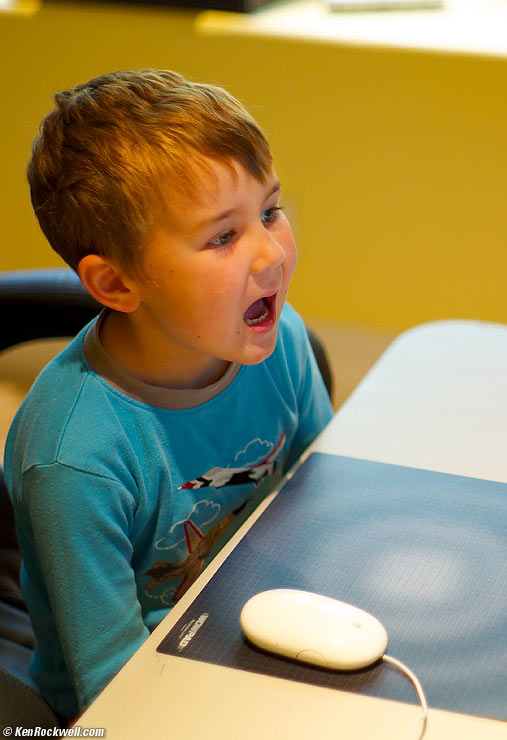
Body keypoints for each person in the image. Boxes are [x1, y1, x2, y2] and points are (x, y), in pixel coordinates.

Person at [4, 69, 334, 720]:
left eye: (270, 211)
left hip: (268, 632)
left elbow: (326, 499)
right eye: (223, 236)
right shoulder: (75, 459)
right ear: (118, 285)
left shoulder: (282, 340)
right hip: (143, 699)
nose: (270, 254)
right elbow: (112, 685)